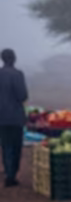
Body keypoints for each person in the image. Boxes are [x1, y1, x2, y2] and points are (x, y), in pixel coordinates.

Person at [0, 49, 29, 187]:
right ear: (14, 59)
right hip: (16, 116)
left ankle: (8, 172)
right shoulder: (18, 74)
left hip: (1, 116)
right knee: (16, 145)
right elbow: (22, 95)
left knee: (6, 145)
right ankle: (12, 174)